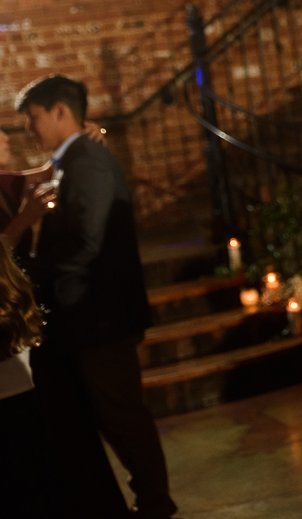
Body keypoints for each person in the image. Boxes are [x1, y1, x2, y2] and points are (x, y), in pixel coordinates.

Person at [14, 75, 175, 519]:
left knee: (122, 415)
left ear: (61, 112)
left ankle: (155, 502)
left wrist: (25, 272)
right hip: (89, 317)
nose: (29, 127)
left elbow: (87, 243)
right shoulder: (74, 159)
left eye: (34, 117)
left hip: (101, 317)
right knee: (110, 414)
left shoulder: (87, 162)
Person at [0, 132, 61, 519]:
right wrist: (25, 219)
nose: (5, 139)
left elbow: (42, 172)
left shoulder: (4, 180)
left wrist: (82, 141)